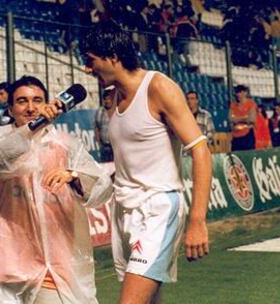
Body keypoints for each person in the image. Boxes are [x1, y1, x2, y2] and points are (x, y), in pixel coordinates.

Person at [81, 21, 212, 304]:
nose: (86, 69)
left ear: (113, 56)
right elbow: (128, 166)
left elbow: (201, 151)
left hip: (158, 208)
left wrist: (198, 220)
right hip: (125, 210)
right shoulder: (114, 97)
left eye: (90, 61)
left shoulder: (159, 87)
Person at [0, 75, 113, 304]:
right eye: (22, 101)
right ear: (10, 109)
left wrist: (73, 176)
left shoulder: (64, 144)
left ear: (46, 103)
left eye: (37, 100)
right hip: (10, 258)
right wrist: (37, 125)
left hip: (54, 261)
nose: (31, 108)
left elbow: (102, 185)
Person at [230, 85, 257, 151]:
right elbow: (230, 119)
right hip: (236, 136)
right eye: (237, 92)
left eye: (239, 92)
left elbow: (251, 119)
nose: (238, 94)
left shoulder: (250, 104)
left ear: (244, 93)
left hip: (247, 135)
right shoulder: (233, 105)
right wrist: (244, 118)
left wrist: (237, 119)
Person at [94, 86, 115, 162]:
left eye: (109, 99)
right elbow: (97, 127)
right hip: (104, 146)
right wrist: (99, 142)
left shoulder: (117, 110)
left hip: (116, 145)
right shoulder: (100, 111)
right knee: (106, 166)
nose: (107, 101)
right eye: (105, 99)